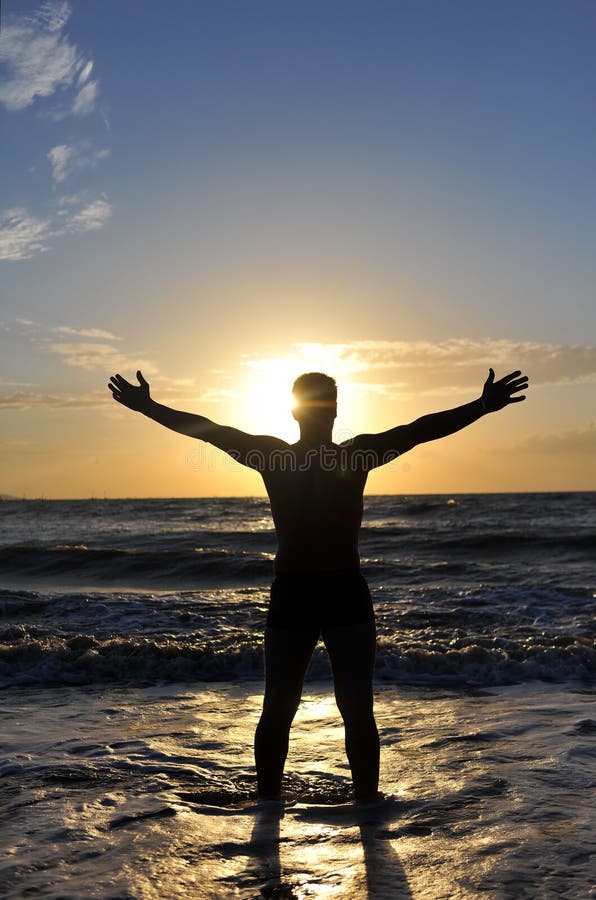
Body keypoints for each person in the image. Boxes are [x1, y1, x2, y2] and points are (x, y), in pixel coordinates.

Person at [108, 365, 528, 803]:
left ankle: (268, 811)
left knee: (280, 709)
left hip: (295, 591)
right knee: (354, 710)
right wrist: (481, 407)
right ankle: (366, 811)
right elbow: (418, 430)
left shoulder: (274, 457)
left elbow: (208, 430)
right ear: (334, 410)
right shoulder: (354, 455)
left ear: (294, 411)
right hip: (342, 590)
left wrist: (149, 407)